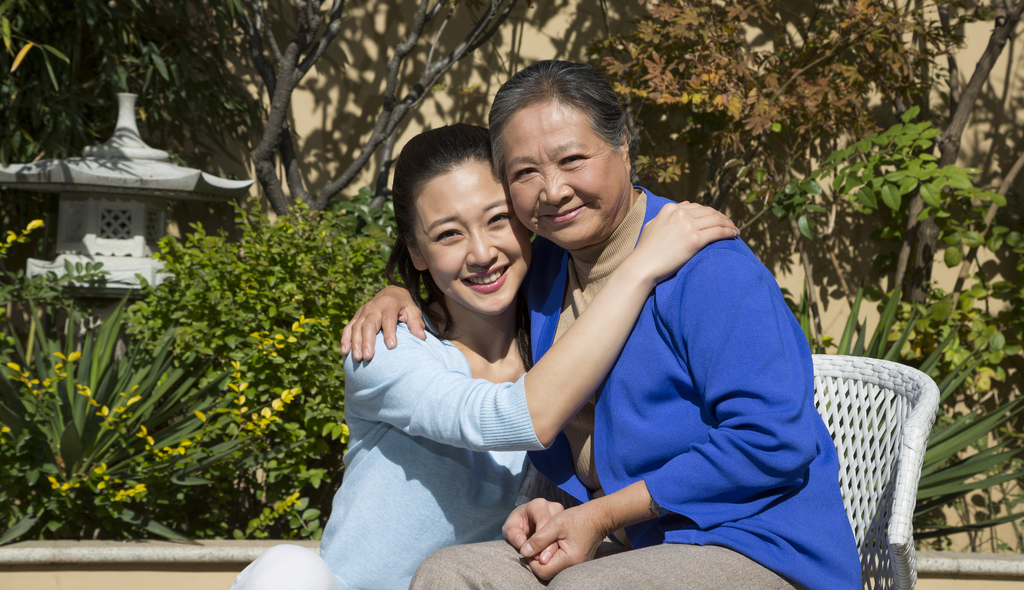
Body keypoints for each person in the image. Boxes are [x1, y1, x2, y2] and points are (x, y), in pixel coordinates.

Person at [343, 61, 862, 590]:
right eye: (525, 173)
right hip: (635, 543)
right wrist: (400, 290)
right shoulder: (544, 268)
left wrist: (604, 514)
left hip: (755, 543)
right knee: (453, 574)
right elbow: (474, 273)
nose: (553, 190)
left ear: (623, 148)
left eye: (573, 160)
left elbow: (773, 440)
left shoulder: (707, 265)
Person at [231, 123, 737, 590]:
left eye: (497, 219)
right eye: (448, 233)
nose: (481, 253)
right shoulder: (389, 348)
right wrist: (641, 265)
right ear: (416, 251)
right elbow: (512, 417)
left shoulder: (558, 345)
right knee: (289, 569)